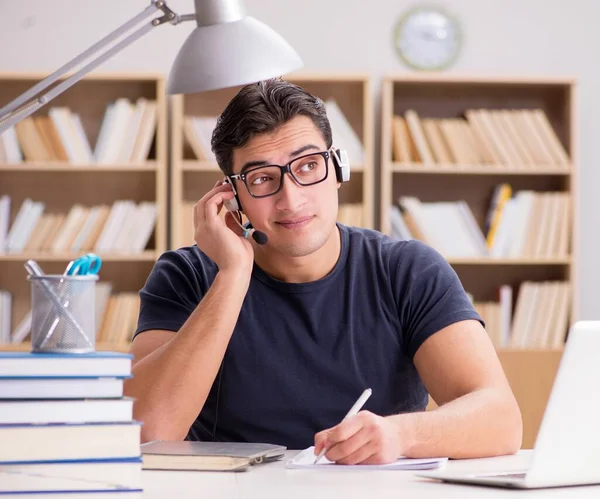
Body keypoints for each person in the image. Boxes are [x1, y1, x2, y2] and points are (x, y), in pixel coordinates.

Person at [124, 78, 522, 465]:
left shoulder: (408, 270)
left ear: (337, 169)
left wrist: (402, 435)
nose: (291, 199)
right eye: (262, 179)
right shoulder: (185, 275)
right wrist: (232, 275)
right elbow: (146, 433)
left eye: (308, 165)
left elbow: (501, 421)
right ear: (231, 197)